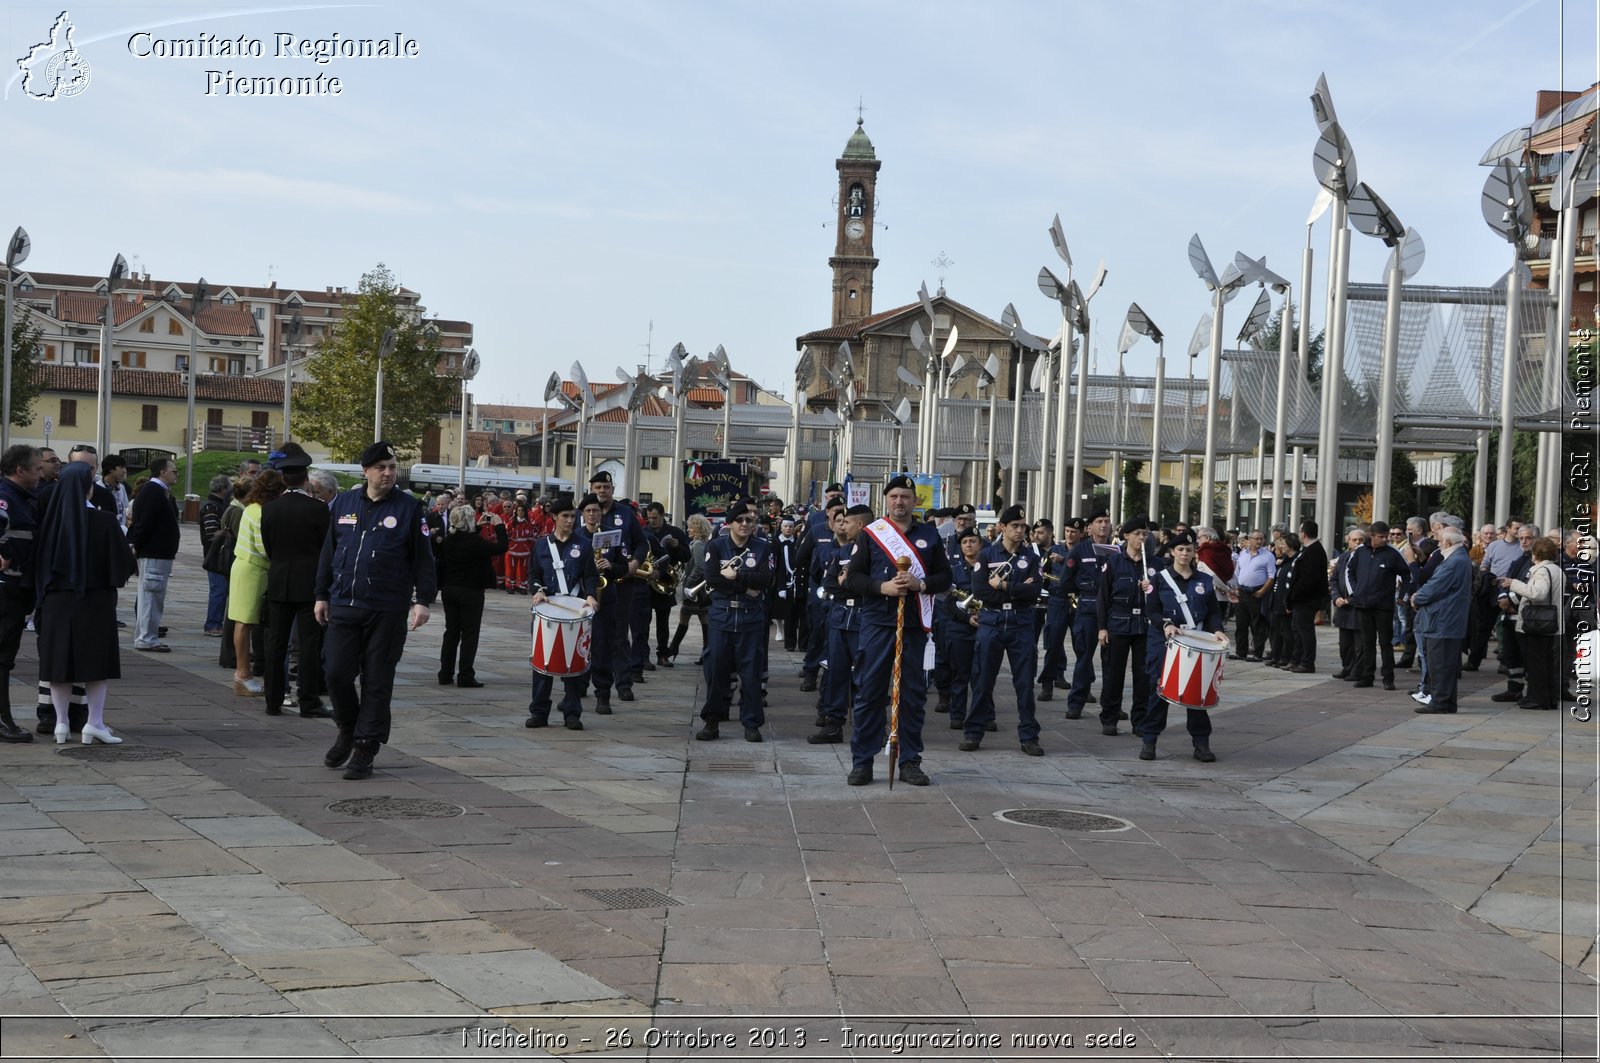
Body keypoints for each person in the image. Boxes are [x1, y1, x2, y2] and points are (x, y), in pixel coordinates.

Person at [314, 442, 436, 781]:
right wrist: (321, 594)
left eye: (392, 466)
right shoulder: (345, 503)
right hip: (344, 604)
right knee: (335, 673)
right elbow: (330, 550)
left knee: (377, 681)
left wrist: (423, 599)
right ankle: (348, 728)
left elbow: (423, 558)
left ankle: (366, 746)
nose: (388, 473)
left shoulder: (409, 508)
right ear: (365, 471)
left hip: (386, 608)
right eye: (381, 467)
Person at [843, 475, 952, 785]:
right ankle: (862, 761)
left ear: (915, 501)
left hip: (915, 625)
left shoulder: (929, 536)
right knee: (870, 692)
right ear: (886, 500)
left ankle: (909, 760)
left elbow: (945, 577)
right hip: (878, 622)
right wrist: (883, 587)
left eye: (905, 496)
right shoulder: (871, 535)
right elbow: (853, 578)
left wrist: (921, 584)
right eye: (894, 497)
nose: (899, 502)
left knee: (912, 695)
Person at [33, 462, 137, 745]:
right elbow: (123, 566)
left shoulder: (49, 524)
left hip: (56, 600)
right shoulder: (103, 521)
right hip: (96, 600)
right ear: (86, 489)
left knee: (58, 664)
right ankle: (94, 722)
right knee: (95, 663)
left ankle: (61, 724)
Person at [959, 504, 1044, 755]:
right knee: (983, 681)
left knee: (1025, 683)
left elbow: (1035, 591)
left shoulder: (1031, 558)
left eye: (1022, 526)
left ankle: (1029, 736)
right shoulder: (987, 555)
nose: (1020, 530)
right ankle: (973, 732)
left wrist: (1004, 585)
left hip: (1021, 623)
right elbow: (982, 591)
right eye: (1014, 526)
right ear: (1003, 528)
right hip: (992, 622)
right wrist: (1019, 587)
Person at [1143, 530, 1228, 762]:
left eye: (1189, 550)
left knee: (1196, 694)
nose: (1184, 553)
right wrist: (1166, 624)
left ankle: (1201, 743)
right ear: (1172, 551)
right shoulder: (1159, 579)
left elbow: (1212, 612)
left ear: (1194, 553)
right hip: (1164, 642)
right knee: (1159, 692)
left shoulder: (1204, 580)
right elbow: (1151, 610)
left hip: (1195, 640)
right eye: (1180, 549)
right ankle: (1149, 740)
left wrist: (1218, 630)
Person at [259, 447, 331, 717]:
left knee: (276, 642)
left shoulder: (269, 509)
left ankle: (273, 699)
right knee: (309, 643)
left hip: (278, 581)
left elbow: (269, 546)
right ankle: (309, 699)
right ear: (306, 480)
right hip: (309, 584)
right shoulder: (318, 509)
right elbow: (326, 548)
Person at [695, 500, 773, 742]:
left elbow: (765, 579)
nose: (745, 524)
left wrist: (737, 576)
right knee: (716, 671)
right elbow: (712, 580)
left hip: (751, 618)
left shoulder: (763, 548)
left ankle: (751, 723)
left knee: (751, 674)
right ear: (730, 524)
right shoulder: (716, 546)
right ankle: (712, 721)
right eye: (739, 520)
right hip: (722, 616)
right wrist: (744, 587)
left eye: (749, 520)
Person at [527, 496, 598, 728]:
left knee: (575, 665)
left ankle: (572, 714)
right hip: (547, 611)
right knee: (542, 664)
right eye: (565, 516)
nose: (570, 520)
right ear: (554, 518)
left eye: (572, 516)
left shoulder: (584, 545)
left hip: (574, 612)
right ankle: (539, 712)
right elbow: (533, 575)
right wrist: (537, 590)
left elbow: (590, 575)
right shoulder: (540, 546)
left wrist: (590, 595)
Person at [1096, 516, 1156, 740]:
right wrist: (1102, 627)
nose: (1142, 538)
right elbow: (1103, 598)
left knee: (1143, 676)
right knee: (1114, 674)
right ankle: (1109, 718)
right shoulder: (1114, 563)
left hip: (1144, 626)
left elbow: (1161, 598)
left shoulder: (1153, 564)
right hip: (1118, 623)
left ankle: (1139, 720)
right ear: (1127, 536)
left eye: (1145, 534)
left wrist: (1150, 589)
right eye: (1138, 534)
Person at [227, 470, 285, 697]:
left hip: (249, 567)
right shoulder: (259, 512)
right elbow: (264, 547)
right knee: (244, 622)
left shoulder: (252, 508)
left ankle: (243, 673)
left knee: (245, 622)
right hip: (253, 569)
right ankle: (242, 674)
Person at [437, 502, 507, 687]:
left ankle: (445, 673)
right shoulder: (476, 543)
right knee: (469, 633)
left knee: (451, 632)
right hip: (471, 591)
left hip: (450, 589)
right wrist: (499, 525)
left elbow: (463, 535)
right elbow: (501, 548)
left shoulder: (449, 540)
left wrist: (476, 527)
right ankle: (465, 675)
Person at [0, 445, 43, 742]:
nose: (41, 473)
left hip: (14, 589)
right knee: (2, 656)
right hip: (6, 590)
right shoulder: (6, 498)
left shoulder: (21, 498)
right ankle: (3, 721)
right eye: (37, 468)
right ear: (21, 470)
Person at [1338, 520, 1410, 690]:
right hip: (1363, 604)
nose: (1386, 539)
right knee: (1367, 642)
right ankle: (1367, 676)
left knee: (1385, 643)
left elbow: (1407, 575)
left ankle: (1388, 678)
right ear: (1372, 536)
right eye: (1381, 537)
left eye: (1387, 536)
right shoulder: (1360, 552)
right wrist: (1355, 593)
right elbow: (1349, 572)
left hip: (1383, 606)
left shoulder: (1392, 554)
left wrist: (1402, 596)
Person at [1409, 526, 1472, 714]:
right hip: (1446, 619)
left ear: (1448, 542)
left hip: (1443, 620)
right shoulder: (1457, 558)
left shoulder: (1454, 561)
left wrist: (1416, 598)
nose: (1437, 544)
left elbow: (1435, 586)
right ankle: (1445, 701)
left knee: (1440, 663)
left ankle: (1440, 701)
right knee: (1443, 663)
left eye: (1439, 541)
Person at [1504, 537, 1565, 711]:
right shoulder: (1556, 569)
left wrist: (1514, 584)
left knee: (1536, 664)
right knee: (1546, 664)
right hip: (1550, 623)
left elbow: (1538, 594)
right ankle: (1547, 698)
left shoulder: (1541, 570)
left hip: (1538, 624)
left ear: (1535, 553)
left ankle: (1537, 699)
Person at [126, 457, 180, 653]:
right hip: (154, 553)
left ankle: (147, 637)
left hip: (158, 553)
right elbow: (145, 522)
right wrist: (137, 545)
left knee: (152, 596)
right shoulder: (153, 491)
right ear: (162, 472)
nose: (177, 474)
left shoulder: (157, 492)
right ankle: (146, 638)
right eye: (174, 470)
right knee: (151, 596)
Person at [1063, 509, 1113, 719]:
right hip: (1088, 610)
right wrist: (1080, 596)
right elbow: (1066, 580)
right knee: (1084, 659)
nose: (1103, 525)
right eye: (1099, 521)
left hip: (1111, 612)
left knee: (1111, 662)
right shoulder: (1080, 550)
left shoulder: (1116, 550)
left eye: (1107, 521)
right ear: (1089, 527)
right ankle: (1076, 703)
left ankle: (1111, 705)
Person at [939, 527, 984, 732]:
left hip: (985, 630)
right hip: (959, 631)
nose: (969, 545)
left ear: (980, 545)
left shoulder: (989, 570)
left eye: (973, 541)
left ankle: (985, 715)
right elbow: (947, 605)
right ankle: (957, 715)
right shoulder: (954, 571)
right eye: (965, 542)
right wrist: (967, 618)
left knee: (983, 676)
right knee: (960, 675)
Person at [643, 502, 690, 666]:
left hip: (666, 582)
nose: (652, 521)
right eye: (649, 518)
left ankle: (663, 655)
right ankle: (644, 657)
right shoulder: (644, 532)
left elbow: (687, 557)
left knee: (663, 623)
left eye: (655, 518)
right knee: (644, 622)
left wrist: (677, 547)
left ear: (663, 516)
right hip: (648, 582)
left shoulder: (675, 532)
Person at [1037, 516, 1077, 701]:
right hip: (1057, 600)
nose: (1069, 535)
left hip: (1077, 601)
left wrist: (1064, 560)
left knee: (1081, 645)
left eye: (1074, 532)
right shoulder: (1054, 550)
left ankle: (1083, 686)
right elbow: (1043, 573)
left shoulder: (1084, 551)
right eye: (1067, 531)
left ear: (1081, 534)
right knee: (1053, 644)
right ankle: (1047, 685)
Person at [667, 514, 714, 664]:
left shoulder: (699, 544)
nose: (688, 530)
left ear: (698, 529)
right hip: (697, 589)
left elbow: (700, 566)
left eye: (691, 527)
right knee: (697, 620)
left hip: (696, 590)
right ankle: (703, 652)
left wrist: (689, 583)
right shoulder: (698, 543)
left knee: (694, 619)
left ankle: (675, 649)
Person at [1286, 520, 1328, 673]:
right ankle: (1297, 659)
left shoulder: (1314, 551)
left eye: (1299, 531)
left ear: (1303, 533)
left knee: (1305, 631)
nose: (1299, 534)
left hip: (1306, 599)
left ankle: (1307, 662)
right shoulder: (1308, 549)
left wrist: (1295, 594)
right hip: (1301, 599)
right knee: (1297, 630)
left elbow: (1309, 579)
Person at [1330, 526, 1367, 680]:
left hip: (1358, 606)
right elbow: (1334, 579)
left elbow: (1366, 582)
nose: (1357, 542)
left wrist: (1351, 599)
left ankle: (1357, 671)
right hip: (1342, 607)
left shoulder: (1366, 558)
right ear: (1348, 541)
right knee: (1345, 643)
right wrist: (1336, 597)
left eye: (1361, 540)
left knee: (1359, 643)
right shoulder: (1344, 557)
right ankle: (1347, 667)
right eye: (1354, 540)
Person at [1232, 529, 1274, 662]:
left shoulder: (1268, 555)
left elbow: (1272, 576)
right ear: (1249, 539)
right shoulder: (1242, 554)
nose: (1259, 541)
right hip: (1242, 592)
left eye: (1261, 539)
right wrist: (1236, 587)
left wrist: (1262, 591)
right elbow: (1237, 572)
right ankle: (1241, 651)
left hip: (1257, 592)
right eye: (1256, 539)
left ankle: (1257, 652)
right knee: (1241, 624)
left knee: (1257, 624)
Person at [198, 474, 232, 636]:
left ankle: (215, 623)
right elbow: (212, 533)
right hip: (216, 555)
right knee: (219, 590)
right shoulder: (213, 506)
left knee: (220, 590)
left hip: (215, 554)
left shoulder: (216, 505)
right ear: (223, 489)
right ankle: (212, 624)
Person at [503, 500, 536, 594]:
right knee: (511, 568)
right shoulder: (511, 523)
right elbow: (506, 536)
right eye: (519, 511)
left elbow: (531, 538)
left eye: (522, 511)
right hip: (513, 549)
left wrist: (529, 547)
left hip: (524, 550)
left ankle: (522, 586)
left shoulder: (528, 524)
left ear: (525, 512)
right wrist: (509, 545)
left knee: (523, 568)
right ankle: (511, 585)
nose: (520, 512)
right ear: (516, 512)